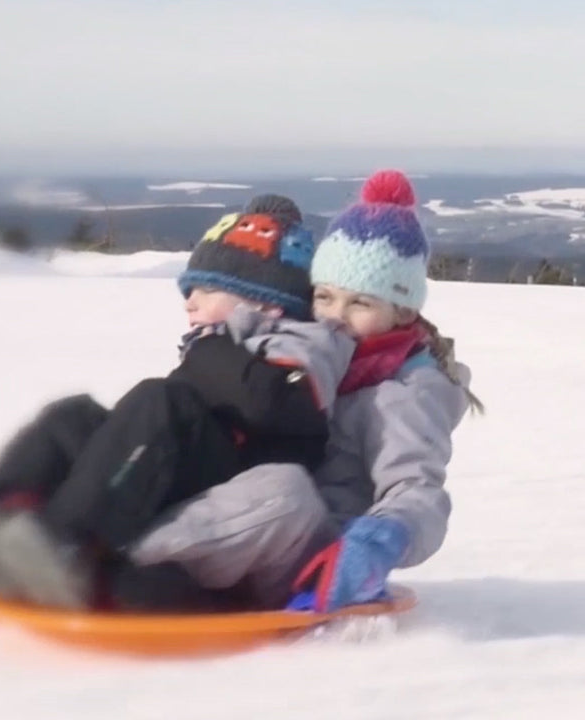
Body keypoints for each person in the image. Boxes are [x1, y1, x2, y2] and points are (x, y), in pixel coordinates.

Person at [0, 194, 354, 610]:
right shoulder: (221, 342)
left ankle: (67, 548)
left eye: (207, 289)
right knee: (75, 417)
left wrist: (210, 348)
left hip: (243, 491)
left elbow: (268, 403)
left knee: (160, 400)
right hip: (195, 466)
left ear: (264, 302)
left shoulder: (308, 344)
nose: (189, 301)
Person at [123, 170, 480, 612]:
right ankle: (89, 527)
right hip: (237, 525)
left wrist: (381, 541)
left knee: (284, 490)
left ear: (403, 311)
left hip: (312, 558)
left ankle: (122, 561)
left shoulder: (402, 392)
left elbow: (418, 489)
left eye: (361, 303)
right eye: (325, 297)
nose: (335, 316)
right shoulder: (315, 349)